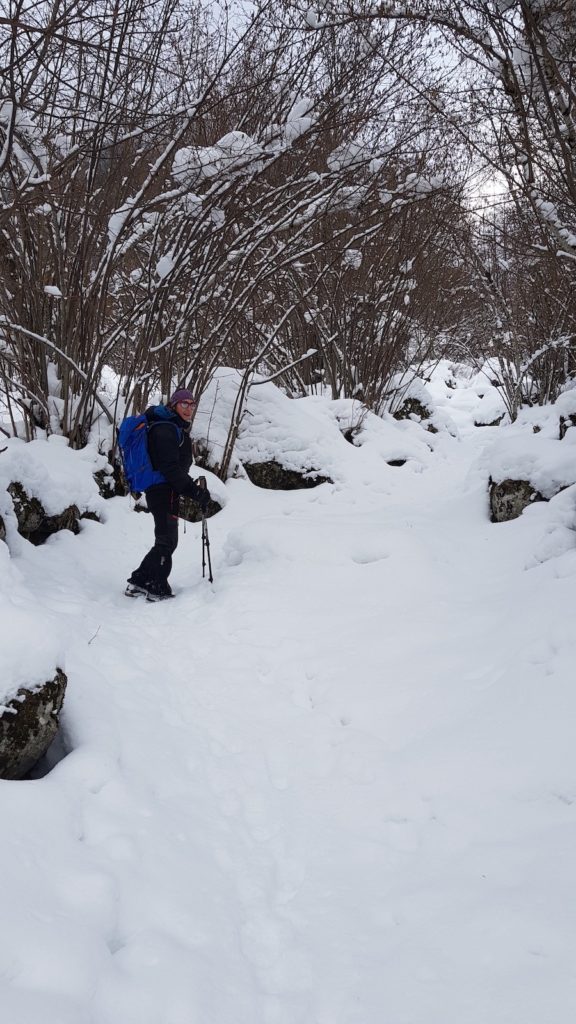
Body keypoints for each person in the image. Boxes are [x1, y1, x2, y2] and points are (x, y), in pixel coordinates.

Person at [125, 389, 210, 600]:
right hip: (163, 489)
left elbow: (173, 468)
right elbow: (170, 468)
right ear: (173, 405)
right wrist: (195, 492)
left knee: (164, 539)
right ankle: (157, 586)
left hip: (162, 488)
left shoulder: (172, 427)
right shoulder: (165, 429)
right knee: (167, 540)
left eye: (192, 404)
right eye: (184, 404)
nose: (189, 408)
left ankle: (139, 580)